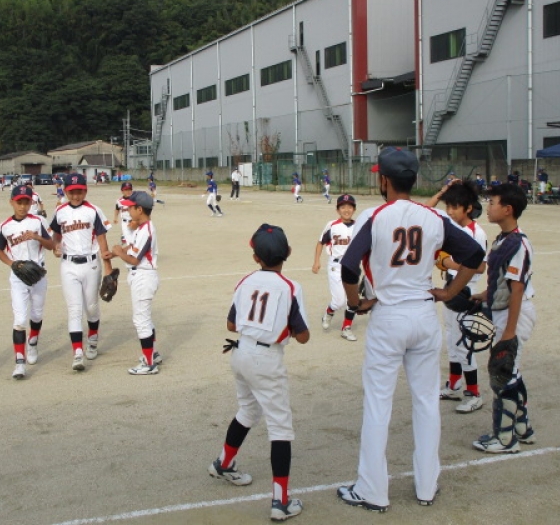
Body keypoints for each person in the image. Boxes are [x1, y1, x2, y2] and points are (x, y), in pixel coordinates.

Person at [336, 147, 485, 512]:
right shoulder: (434, 217)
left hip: (389, 315)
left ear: (384, 179)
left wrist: (356, 304)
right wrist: (450, 291)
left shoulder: (374, 216)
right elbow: (475, 255)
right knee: (426, 402)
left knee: (378, 404)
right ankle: (426, 486)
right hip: (423, 314)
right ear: (414, 179)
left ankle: (372, 490)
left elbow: (349, 267)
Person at [207, 223, 309, 522]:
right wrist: (287, 328)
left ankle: (224, 464)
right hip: (266, 358)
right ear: (288, 252)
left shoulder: (245, 281)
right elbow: (303, 336)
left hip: (240, 351)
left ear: (255, 257)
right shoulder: (291, 287)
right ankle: (281, 502)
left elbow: (231, 324)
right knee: (280, 428)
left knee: (248, 410)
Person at [471, 183, 536, 453]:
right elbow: (499, 282)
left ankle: (506, 439)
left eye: (493, 202)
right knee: (512, 372)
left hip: (513, 315)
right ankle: (522, 427)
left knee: (503, 374)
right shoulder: (502, 240)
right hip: (504, 311)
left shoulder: (518, 244)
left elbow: (516, 290)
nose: (488, 207)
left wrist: (509, 332)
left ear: (508, 209)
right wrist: (482, 296)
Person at [428, 181, 488, 413]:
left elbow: (480, 267)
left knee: (464, 344)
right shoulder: (452, 226)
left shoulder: (476, 232)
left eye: (455, 207)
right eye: (448, 206)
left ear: (468, 208)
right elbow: (427, 210)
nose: (450, 211)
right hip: (451, 288)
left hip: (466, 291)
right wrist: (443, 191)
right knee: (452, 340)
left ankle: (473, 393)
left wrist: (446, 262)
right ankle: (454, 385)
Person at [49, 173, 114, 371]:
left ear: (85, 191)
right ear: (65, 191)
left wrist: (108, 268)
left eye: (79, 191)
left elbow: (102, 239)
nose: (75, 195)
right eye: (72, 192)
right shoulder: (60, 211)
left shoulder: (93, 210)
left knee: (91, 307)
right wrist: (55, 246)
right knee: (74, 309)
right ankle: (77, 352)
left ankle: (92, 340)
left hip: (91, 264)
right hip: (68, 265)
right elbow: (56, 235)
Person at [0, 184, 55, 380]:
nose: (22, 206)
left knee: (36, 314)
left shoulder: (38, 221)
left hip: (38, 273)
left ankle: (33, 342)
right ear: (12, 202)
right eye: (19, 202)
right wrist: (12, 264)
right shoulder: (4, 226)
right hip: (18, 276)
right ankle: (20, 362)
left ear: (31, 203)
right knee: (20, 320)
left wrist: (37, 237)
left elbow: (52, 245)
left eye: (26, 202)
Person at [105, 191, 163, 375]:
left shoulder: (146, 230)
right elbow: (132, 247)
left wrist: (119, 253)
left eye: (130, 207)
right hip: (142, 276)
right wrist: (115, 253)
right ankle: (152, 354)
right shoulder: (142, 227)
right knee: (145, 318)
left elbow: (134, 259)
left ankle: (149, 364)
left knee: (141, 320)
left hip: (143, 276)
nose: (127, 210)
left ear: (140, 209)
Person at [312, 193, 359, 341]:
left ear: (354, 209)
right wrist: (316, 261)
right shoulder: (332, 225)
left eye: (350, 207)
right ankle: (329, 312)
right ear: (338, 210)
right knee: (339, 302)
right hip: (336, 266)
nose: (346, 210)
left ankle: (346, 328)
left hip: (352, 266)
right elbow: (320, 242)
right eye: (343, 207)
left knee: (352, 300)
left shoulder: (359, 226)